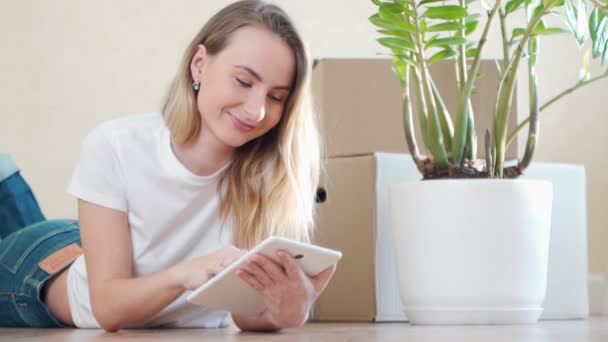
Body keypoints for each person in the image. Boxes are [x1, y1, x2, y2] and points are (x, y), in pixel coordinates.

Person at [0, 0, 337, 331]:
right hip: (36, 277)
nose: (257, 111)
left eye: (276, 97)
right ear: (200, 64)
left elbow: (245, 315)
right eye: (244, 82)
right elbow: (108, 310)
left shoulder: (270, 174)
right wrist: (185, 273)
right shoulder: (116, 144)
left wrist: (287, 310)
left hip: (96, 243)